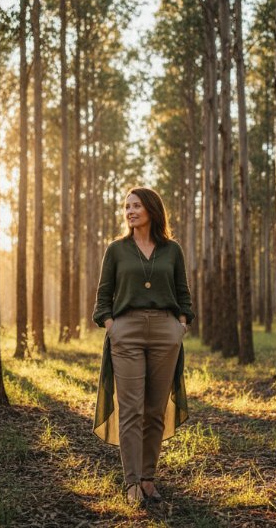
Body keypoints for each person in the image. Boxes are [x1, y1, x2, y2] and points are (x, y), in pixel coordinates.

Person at [92, 186, 195, 506]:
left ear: (152, 209)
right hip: (127, 332)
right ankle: (132, 482)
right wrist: (112, 326)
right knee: (131, 409)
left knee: (154, 410)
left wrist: (180, 325)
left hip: (166, 332)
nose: (130, 211)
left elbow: (183, 293)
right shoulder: (117, 250)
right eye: (126, 207)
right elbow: (103, 297)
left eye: (136, 205)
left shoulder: (172, 250)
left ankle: (149, 478)